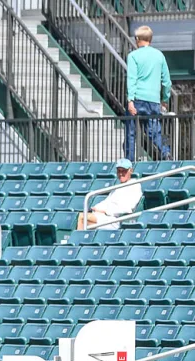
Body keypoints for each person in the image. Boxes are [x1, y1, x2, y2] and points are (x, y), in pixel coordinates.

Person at [124, 26, 172, 161]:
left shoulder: (133, 56)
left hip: (137, 99)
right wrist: (164, 99)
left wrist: (130, 100)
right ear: (150, 39)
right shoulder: (159, 55)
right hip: (154, 100)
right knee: (155, 132)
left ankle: (129, 161)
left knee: (131, 132)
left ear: (137, 39)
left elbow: (132, 79)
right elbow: (167, 82)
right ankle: (166, 153)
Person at [77, 158, 141, 231]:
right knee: (82, 219)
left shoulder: (134, 186)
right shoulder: (117, 187)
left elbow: (128, 208)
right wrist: (96, 208)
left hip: (116, 220)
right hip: (106, 217)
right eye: (119, 171)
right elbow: (107, 201)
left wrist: (106, 211)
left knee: (82, 217)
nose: (120, 174)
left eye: (123, 171)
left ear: (131, 171)